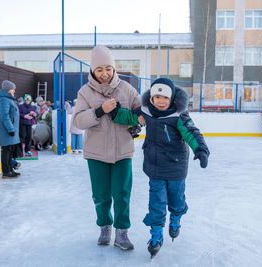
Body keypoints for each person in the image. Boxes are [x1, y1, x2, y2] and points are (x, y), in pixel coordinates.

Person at [110, 77, 210, 258]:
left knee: (176, 200)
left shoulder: (179, 115)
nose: (161, 101)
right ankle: (156, 236)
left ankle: (176, 219)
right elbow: (131, 117)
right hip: (155, 168)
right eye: (157, 97)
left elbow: (191, 131)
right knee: (156, 203)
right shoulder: (147, 112)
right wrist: (116, 113)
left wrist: (200, 149)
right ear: (152, 98)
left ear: (171, 99)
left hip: (176, 168)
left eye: (165, 98)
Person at [70, 45, 141, 250]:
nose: (104, 73)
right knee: (100, 195)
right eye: (99, 69)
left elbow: (140, 113)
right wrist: (100, 110)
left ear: (113, 68)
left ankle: (122, 233)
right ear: (92, 70)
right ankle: (104, 226)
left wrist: (134, 122)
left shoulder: (127, 89)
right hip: (96, 153)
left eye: (108, 68)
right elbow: (78, 121)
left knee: (122, 194)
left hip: (122, 152)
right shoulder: (85, 92)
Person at [0, 80, 21, 179]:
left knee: (10, 150)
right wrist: (10, 129)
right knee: (6, 150)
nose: (14, 91)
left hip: (11, 129)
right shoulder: (4, 100)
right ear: (8, 90)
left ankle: (11, 169)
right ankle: (6, 172)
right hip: (6, 130)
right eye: (13, 89)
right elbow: (4, 116)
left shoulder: (9, 99)